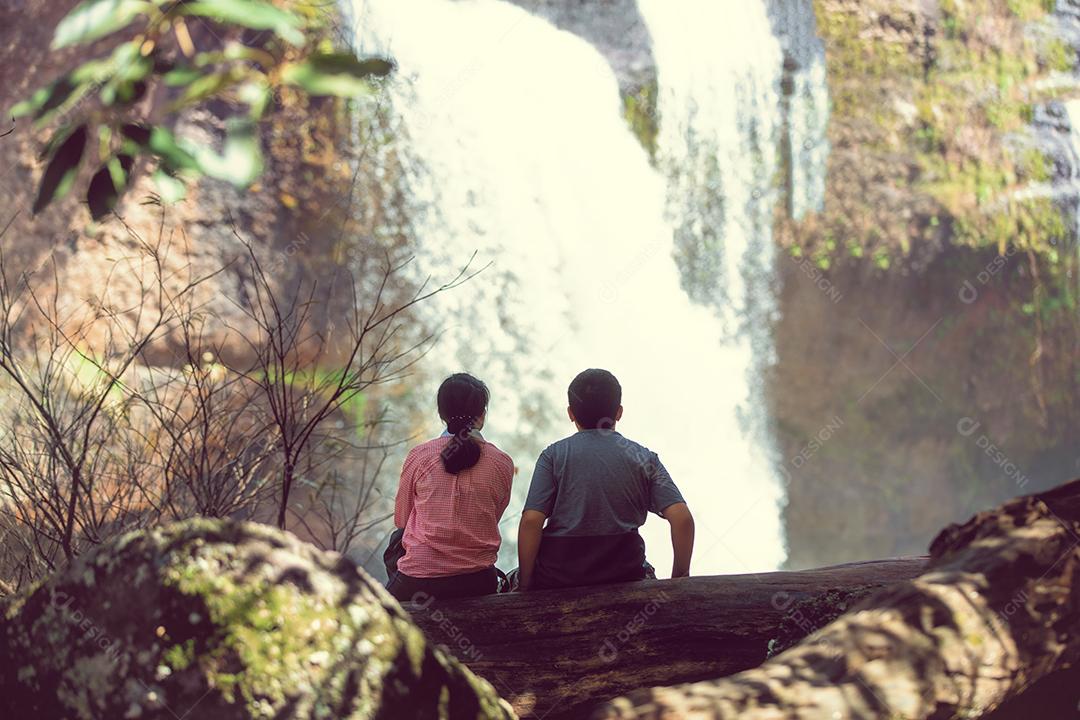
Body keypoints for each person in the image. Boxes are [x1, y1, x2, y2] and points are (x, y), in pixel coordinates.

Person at [517, 368, 694, 591]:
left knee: (507, 579)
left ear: (571, 413)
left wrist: (525, 585)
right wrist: (679, 578)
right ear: (619, 412)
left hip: (559, 576)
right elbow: (682, 519)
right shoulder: (644, 458)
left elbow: (531, 521)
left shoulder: (553, 455)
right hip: (626, 574)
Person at [386, 373, 515, 602]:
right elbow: (490, 518)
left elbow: (402, 520)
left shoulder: (420, 456)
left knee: (396, 539)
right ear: (482, 415)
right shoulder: (502, 462)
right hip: (478, 581)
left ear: (441, 415)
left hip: (419, 581)